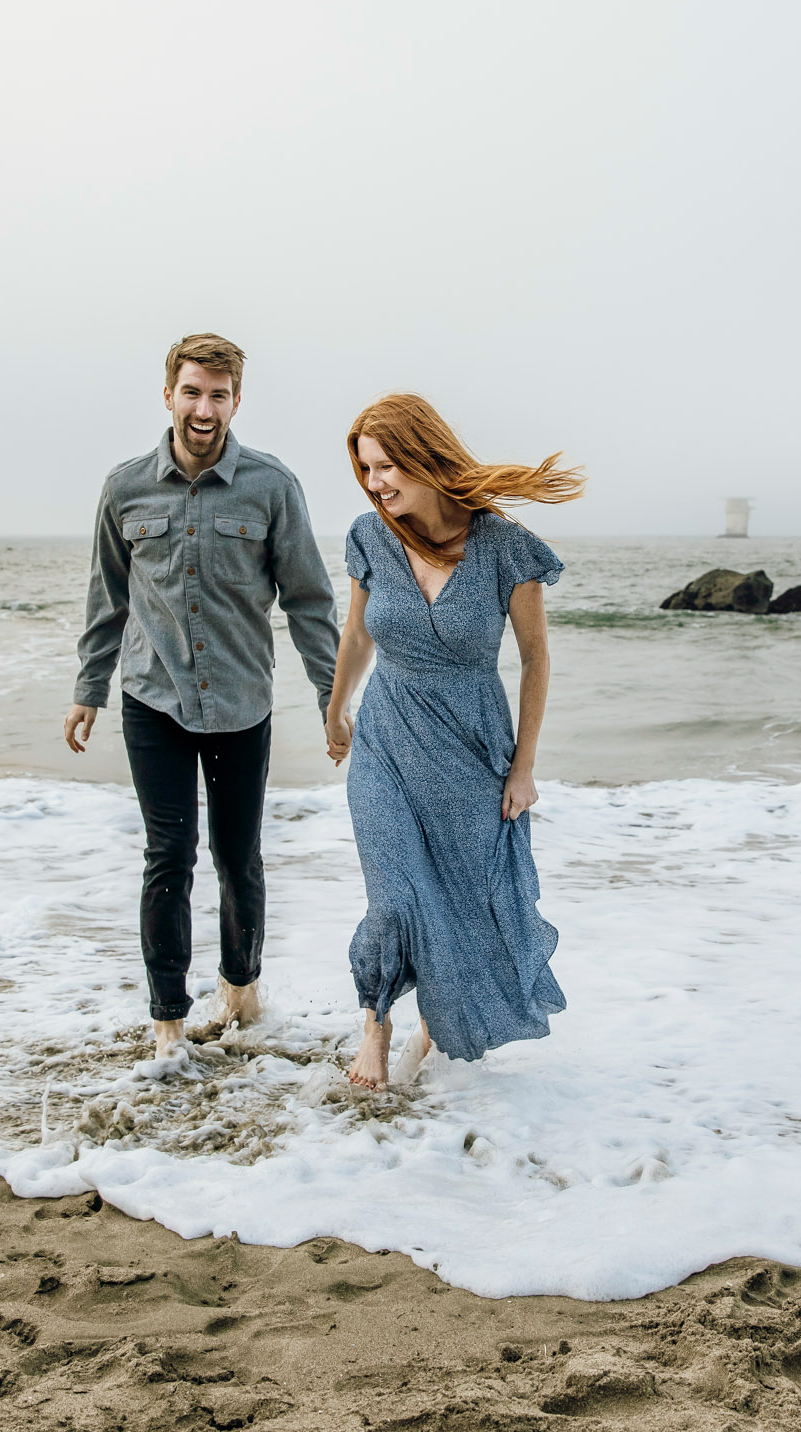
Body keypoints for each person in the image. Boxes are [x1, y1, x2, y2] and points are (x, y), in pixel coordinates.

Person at [65, 334, 341, 1060]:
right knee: (168, 853)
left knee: (237, 855)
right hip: (151, 699)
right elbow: (107, 596)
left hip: (242, 701)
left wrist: (330, 698)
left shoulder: (272, 487)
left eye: (218, 395)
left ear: (236, 401)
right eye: (192, 391)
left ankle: (241, 989)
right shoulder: (126, 487)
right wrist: (88, 688)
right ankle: (166, 1023)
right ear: (168, 395)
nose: (204, 407)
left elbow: (310, 601)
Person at [322, 393, 583, 1088]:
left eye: (387, 466)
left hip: (470, 748)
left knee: (463, 897)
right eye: (366, 469)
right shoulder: (368, 537)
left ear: (425, 457)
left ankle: (433, 1032)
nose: (376, 483)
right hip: (386, 739)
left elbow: (536, 660)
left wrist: (523, 769)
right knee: (394, 896)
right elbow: (355, 635)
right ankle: (374, 1029)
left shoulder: (503, 546)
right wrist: (336, 709)